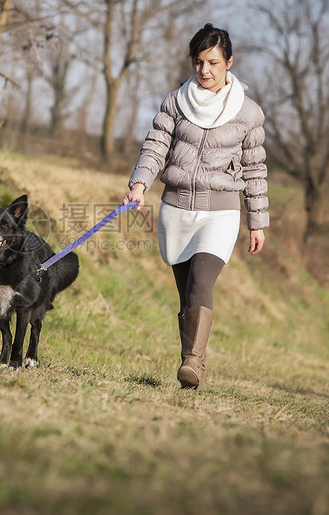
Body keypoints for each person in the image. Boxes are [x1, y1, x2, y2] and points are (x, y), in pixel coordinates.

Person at [122, 23, 268, 391]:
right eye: (200, 62)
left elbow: (255, 168)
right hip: (175, 208)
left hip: (220, 212)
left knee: (202, 283)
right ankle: (194, 369)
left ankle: (192, 362)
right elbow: (155, 145)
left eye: (214, 62)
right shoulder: (175, 102)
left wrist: (257, 221)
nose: (205, 70)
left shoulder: (248, 113)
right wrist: (139, 184)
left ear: (229, 63)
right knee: (186, 293)